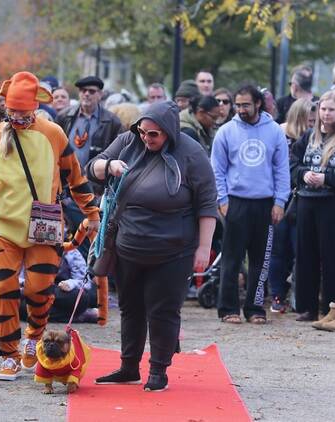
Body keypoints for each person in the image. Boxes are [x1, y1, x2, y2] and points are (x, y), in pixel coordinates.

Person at [0, 71, 100, 381]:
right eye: (12, 111)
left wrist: (92, 214)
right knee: (4, 291)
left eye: (23, 111)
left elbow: (76, 177)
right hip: (2, 224)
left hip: (45, 225)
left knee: (40, 289)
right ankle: (8, 354)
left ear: (35, 107)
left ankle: (34, 337)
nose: (17, 117)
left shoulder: (53, 133)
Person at [86, 100, 216, 392]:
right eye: (143, 132)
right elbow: (90, 169)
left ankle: (159, 370)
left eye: (154, 134)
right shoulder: (128, 141)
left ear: (169, 132)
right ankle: (129, 366)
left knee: (163, 310)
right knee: (131, 308)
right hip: (128, 246)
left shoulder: (191, 153)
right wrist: (109, 165)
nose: (146, 138)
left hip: (174, 249)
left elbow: (207, 204)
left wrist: (203, 249)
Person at [211, 85, 289, 324]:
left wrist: (280, 201)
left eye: (246, 104)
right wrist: (223, 200)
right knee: (231, 260)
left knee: (260, 260)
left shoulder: (275, 131)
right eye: (238, 105)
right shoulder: (226, 132)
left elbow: (281, 169)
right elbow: (217, 169)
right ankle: (228, 309)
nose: (241, 109)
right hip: (236, 203)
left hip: (265, 204)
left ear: (258, 104)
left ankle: (255, 308)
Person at [290, 89, 335, 321]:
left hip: (333, 203)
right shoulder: (308, 137)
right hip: (306, 202)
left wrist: (327, 178)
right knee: (305, 255)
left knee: (332, 255)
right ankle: (307, 307)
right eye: (323, 109)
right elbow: (292, 163)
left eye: (331, 109)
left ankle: (332, 306)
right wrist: (303, 174)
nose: (326, 113)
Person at [268, 98, 315, 312]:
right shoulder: (278, 133)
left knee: (301, 248)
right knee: (278, 248)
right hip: (280, 197)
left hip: (304, 198)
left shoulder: (317, 139)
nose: (315, 124)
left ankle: (300, 295)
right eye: (310, 119)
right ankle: (277, 294)